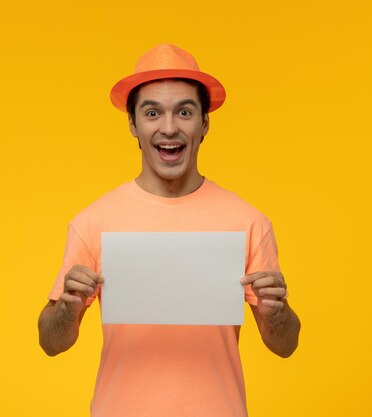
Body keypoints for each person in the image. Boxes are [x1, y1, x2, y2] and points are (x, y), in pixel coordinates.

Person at [38, 44, 301, 417]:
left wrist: (277, 312)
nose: (169, 127)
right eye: (152, 112)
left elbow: (285, 345)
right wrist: (67, 306)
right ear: (133, 124)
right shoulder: (93, 221)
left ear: (205, 123)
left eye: (185, 111)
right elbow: (51, 343)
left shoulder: (248, 222)